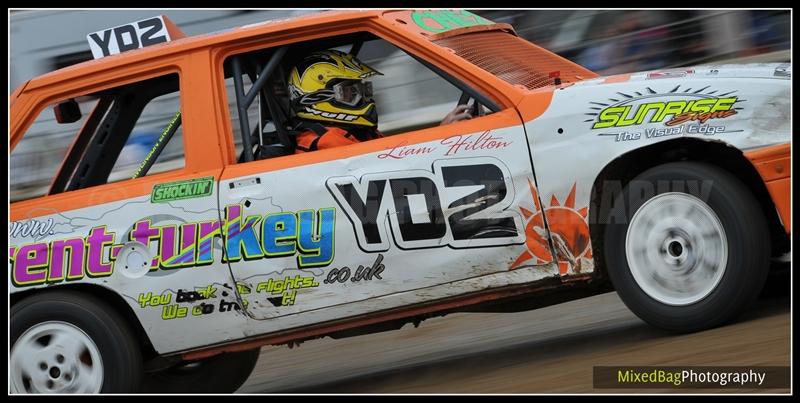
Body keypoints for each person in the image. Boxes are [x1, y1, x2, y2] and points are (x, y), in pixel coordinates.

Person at [286, 49, 473, 154]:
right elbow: (389, 162)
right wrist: (440, 136)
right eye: (349, 93)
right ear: (316, 98)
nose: (361, 99)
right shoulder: (325, 141)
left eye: (361, 91)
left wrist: (440, 132)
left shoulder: (355, 132)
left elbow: (395, 150)